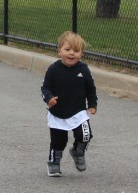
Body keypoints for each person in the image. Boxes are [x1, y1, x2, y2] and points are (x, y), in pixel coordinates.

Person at [40, 31, 97, 177]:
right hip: (57, 112)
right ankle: (54, 162)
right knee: (59, 141)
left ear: (81, 54)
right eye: (67, 49)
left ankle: (78, 151)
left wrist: (92, 104)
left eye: (76, 51)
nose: (71, 53)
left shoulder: (83, 70)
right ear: (59, 51)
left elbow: (90, 88)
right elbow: (45, 88)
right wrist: (49, 98)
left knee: (85, 135)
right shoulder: (53, 69)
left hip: (78, 111)